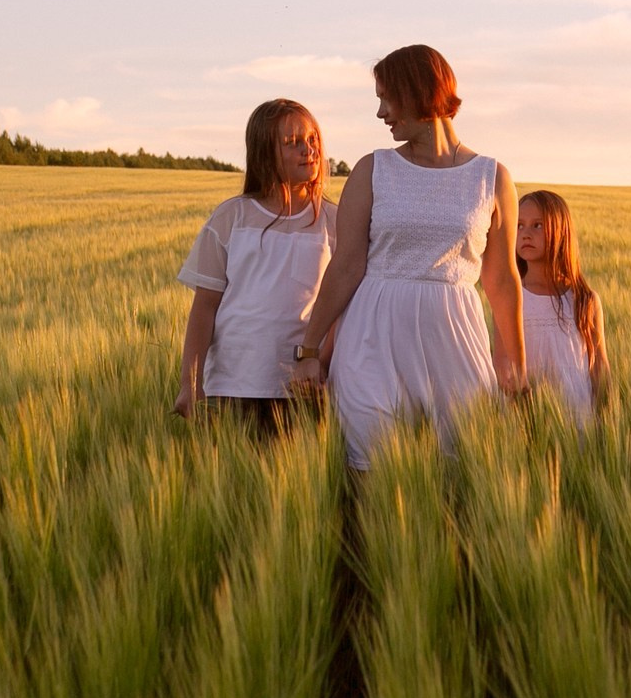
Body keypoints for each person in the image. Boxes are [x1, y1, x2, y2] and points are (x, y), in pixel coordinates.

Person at [295, 45, 524, 470]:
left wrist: (514, 360)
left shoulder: (492, 177)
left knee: (457, 470)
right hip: (372, 335)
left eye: (387, 98)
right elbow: (346, 265)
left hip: (455, 339)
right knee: (368, 465)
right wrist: (309, 352)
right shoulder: (372, 169)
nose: (381, 113)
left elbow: (502, 278)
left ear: (419, 93)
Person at [173, 99, 336, 433]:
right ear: (264, 153)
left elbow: (343, 305)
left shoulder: (334, 220)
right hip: (234, 384)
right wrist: (190, 383)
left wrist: (322, 363)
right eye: (293, 143)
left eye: (313, 140)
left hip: (304, 386)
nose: (309, 150)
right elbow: (204, 307)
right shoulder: (232, 218)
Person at [514, 189, 609, 423]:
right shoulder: (512, 297)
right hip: (530, 415)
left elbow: (599, 366)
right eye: (519, 226)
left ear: (561, 232)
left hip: (577, 413)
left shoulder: (584, 299)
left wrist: (605, 418)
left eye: (537, 225)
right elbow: (505, 364)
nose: (526, 234)